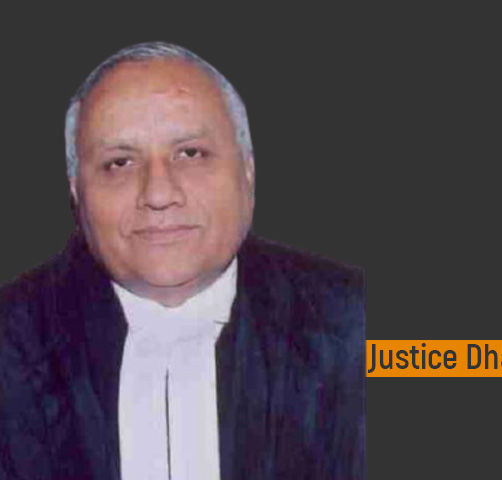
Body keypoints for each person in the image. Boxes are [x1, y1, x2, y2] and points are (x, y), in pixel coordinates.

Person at [0, 41, 365, 480]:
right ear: (77, 192)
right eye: (119, 163)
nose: (158, 193)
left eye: (190, 154)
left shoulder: (363, 329)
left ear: (248, 171)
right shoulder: (11, 346)